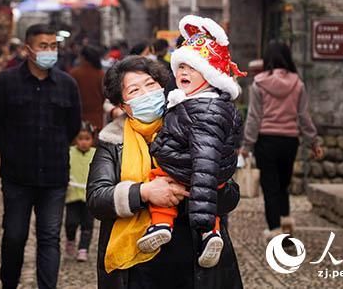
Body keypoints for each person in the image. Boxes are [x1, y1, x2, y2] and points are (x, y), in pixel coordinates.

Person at [87, 56, 243, 288]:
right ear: (122, 105)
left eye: (151, 85)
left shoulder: (194, 125)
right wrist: (144, 193)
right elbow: (97, 198)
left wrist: (200, 186)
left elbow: (230, 196)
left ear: (163, 86)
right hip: (138, 271)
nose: (146, 93)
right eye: (134, 90)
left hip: (195, 263)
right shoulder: (113, 141)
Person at [140, 16, 245, 270]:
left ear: (210, 76)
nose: (183, 73)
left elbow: (205, 161)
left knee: (160, 179)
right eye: (181, 68)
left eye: (192, 68)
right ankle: (210, 233)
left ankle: (168, 225)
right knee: (203, 194)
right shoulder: (193, 102)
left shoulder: (204, 109)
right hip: (202, 171)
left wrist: (201, 219)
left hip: (196, 171)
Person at [0, 24, 82, 289]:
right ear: (28, 49)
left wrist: (57, 147)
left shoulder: (67, 84)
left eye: (53, 46)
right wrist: (11, 150)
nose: (49, 51)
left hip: (54, 176)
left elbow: (73, 126)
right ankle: (9, 284)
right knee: (15, 235)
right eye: (43, 46)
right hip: (17, 176)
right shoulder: (6, 82)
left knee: (50, 237)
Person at [241, 40, 324, 238]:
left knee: (270, 187)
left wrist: (246, 145)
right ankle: (286, 222)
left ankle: (275, 230)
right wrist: (313, 142)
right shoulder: (298, 84)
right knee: (283, 185)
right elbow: (304, 116)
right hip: (289, 141)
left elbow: (254, 117)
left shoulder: (259, 84)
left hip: (266, 141)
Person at [65, 122, 96, 263]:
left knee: (87, 225)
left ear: (92, 139)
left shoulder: (96, 155)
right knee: (71, 223)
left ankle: (83, 249)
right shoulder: (69, 152)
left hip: (89, 198)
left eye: (87, 139)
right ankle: (70, 239)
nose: (84, 142)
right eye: (80, 139)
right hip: (72, 196)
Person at [70, 46, 107, 132]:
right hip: (97, 118)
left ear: (83, 57)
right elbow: (105, 96)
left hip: (78, 117)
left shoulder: (74, 73)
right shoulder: (101, 74)